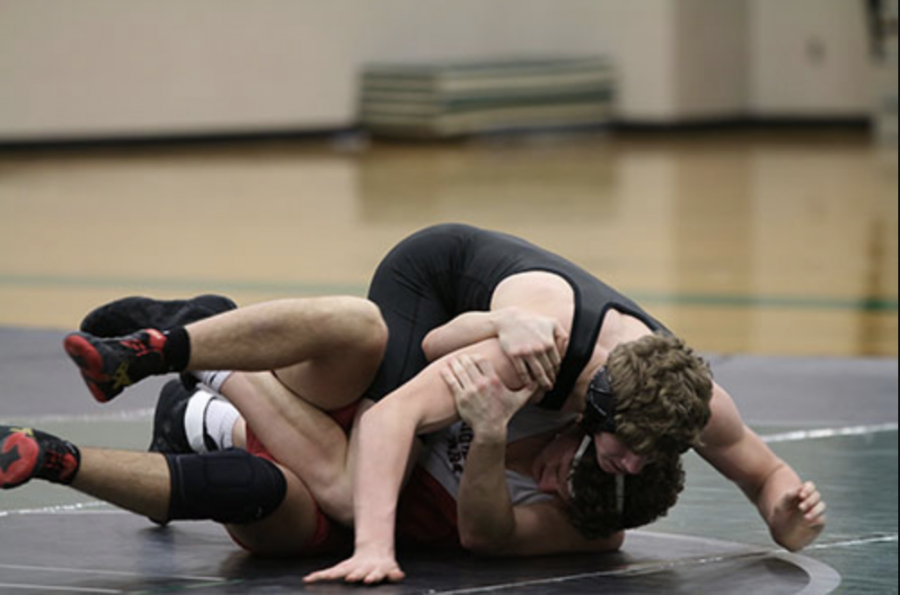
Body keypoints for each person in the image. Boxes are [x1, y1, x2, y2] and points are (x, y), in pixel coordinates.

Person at [62, 224, 827, 585]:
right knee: (347, 465)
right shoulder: (542, 356)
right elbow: (427, 361)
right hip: (435, 282)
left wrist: (785, 510)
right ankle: (194, 338)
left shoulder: (686, 405)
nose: (629, 465)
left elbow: (761, 472)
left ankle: (200, 357)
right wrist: (376, 545)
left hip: (490, 327)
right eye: (626, 449)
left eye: (646, 460)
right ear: (594, 403)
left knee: (346, 462)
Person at [1, 298, 686, 573]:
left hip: (317, 492)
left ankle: (52, 455)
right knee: (363, 324)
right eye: (564, 467)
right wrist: (506, 319)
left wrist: (488, 435)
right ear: (593, 429)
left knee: (277, 488)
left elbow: (487, 534)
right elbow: (432, 349)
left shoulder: (596, 524)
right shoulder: (548, 387)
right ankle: (177, 350)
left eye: (558, 495)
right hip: (337, 417)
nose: (544, 484)